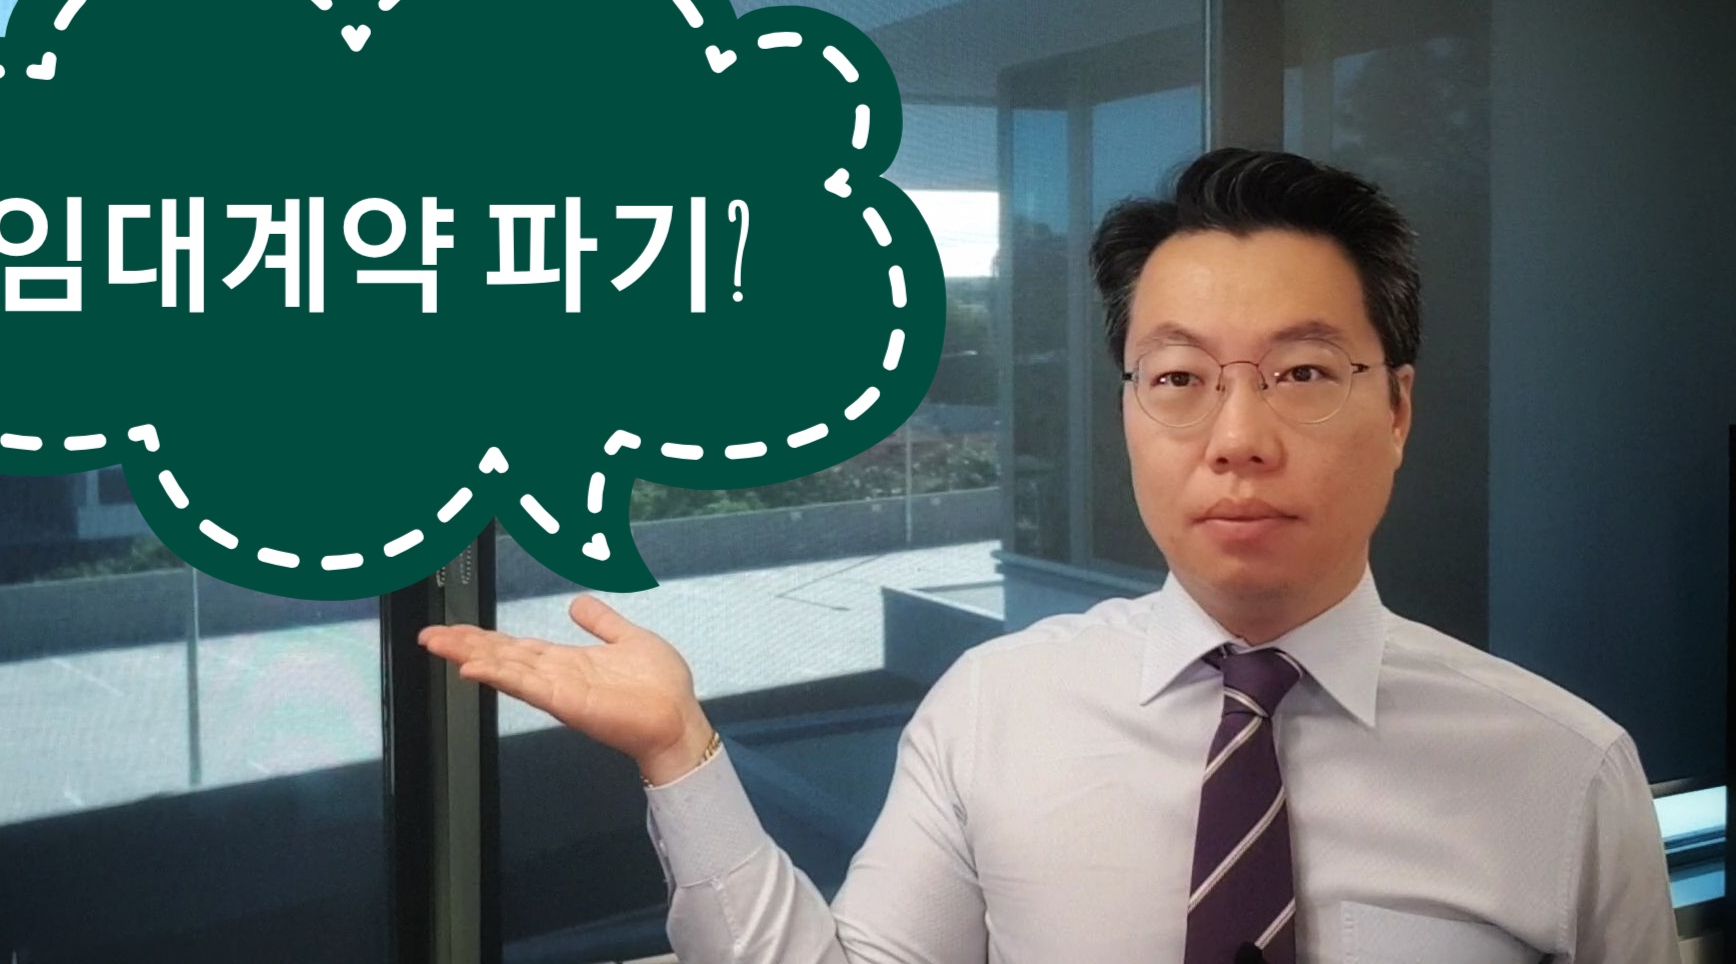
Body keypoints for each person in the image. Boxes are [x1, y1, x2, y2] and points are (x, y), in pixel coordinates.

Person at [418, 148, 1682, 962]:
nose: (1238, 438)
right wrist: (679, 754)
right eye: (1178, 377)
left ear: (1397, 408)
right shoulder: (993, 711)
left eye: (1303, 373)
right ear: (1128, 409)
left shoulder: (1566, 774)